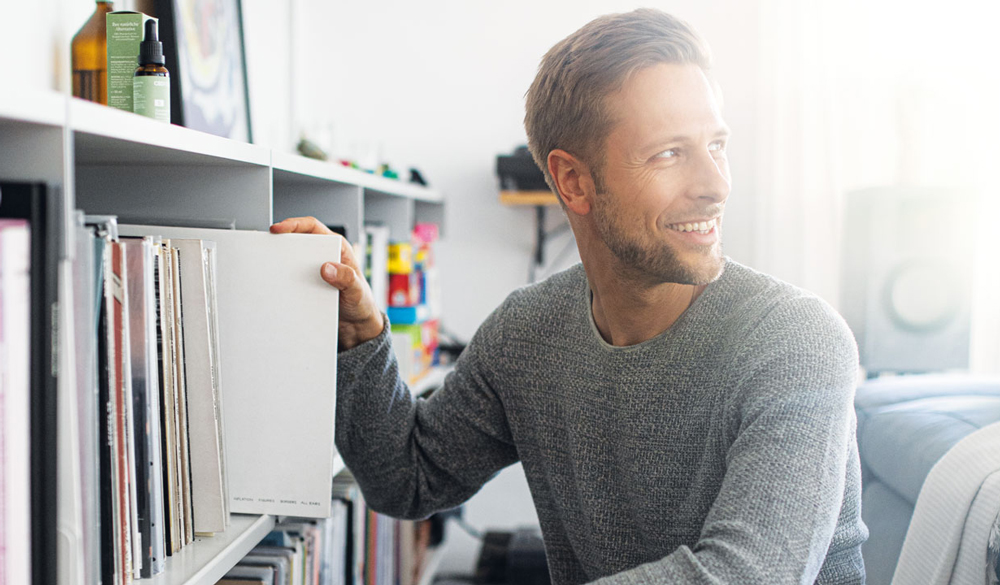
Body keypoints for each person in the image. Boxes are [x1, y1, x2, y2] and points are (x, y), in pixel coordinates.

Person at [270, 8, 867, 584]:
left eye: (717, 145)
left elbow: (747, 575)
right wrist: (361, 335)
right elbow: (408, 479)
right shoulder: (529, 334)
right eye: (669, 153)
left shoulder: (797, 341)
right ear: (574, 181)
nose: (715, 185)